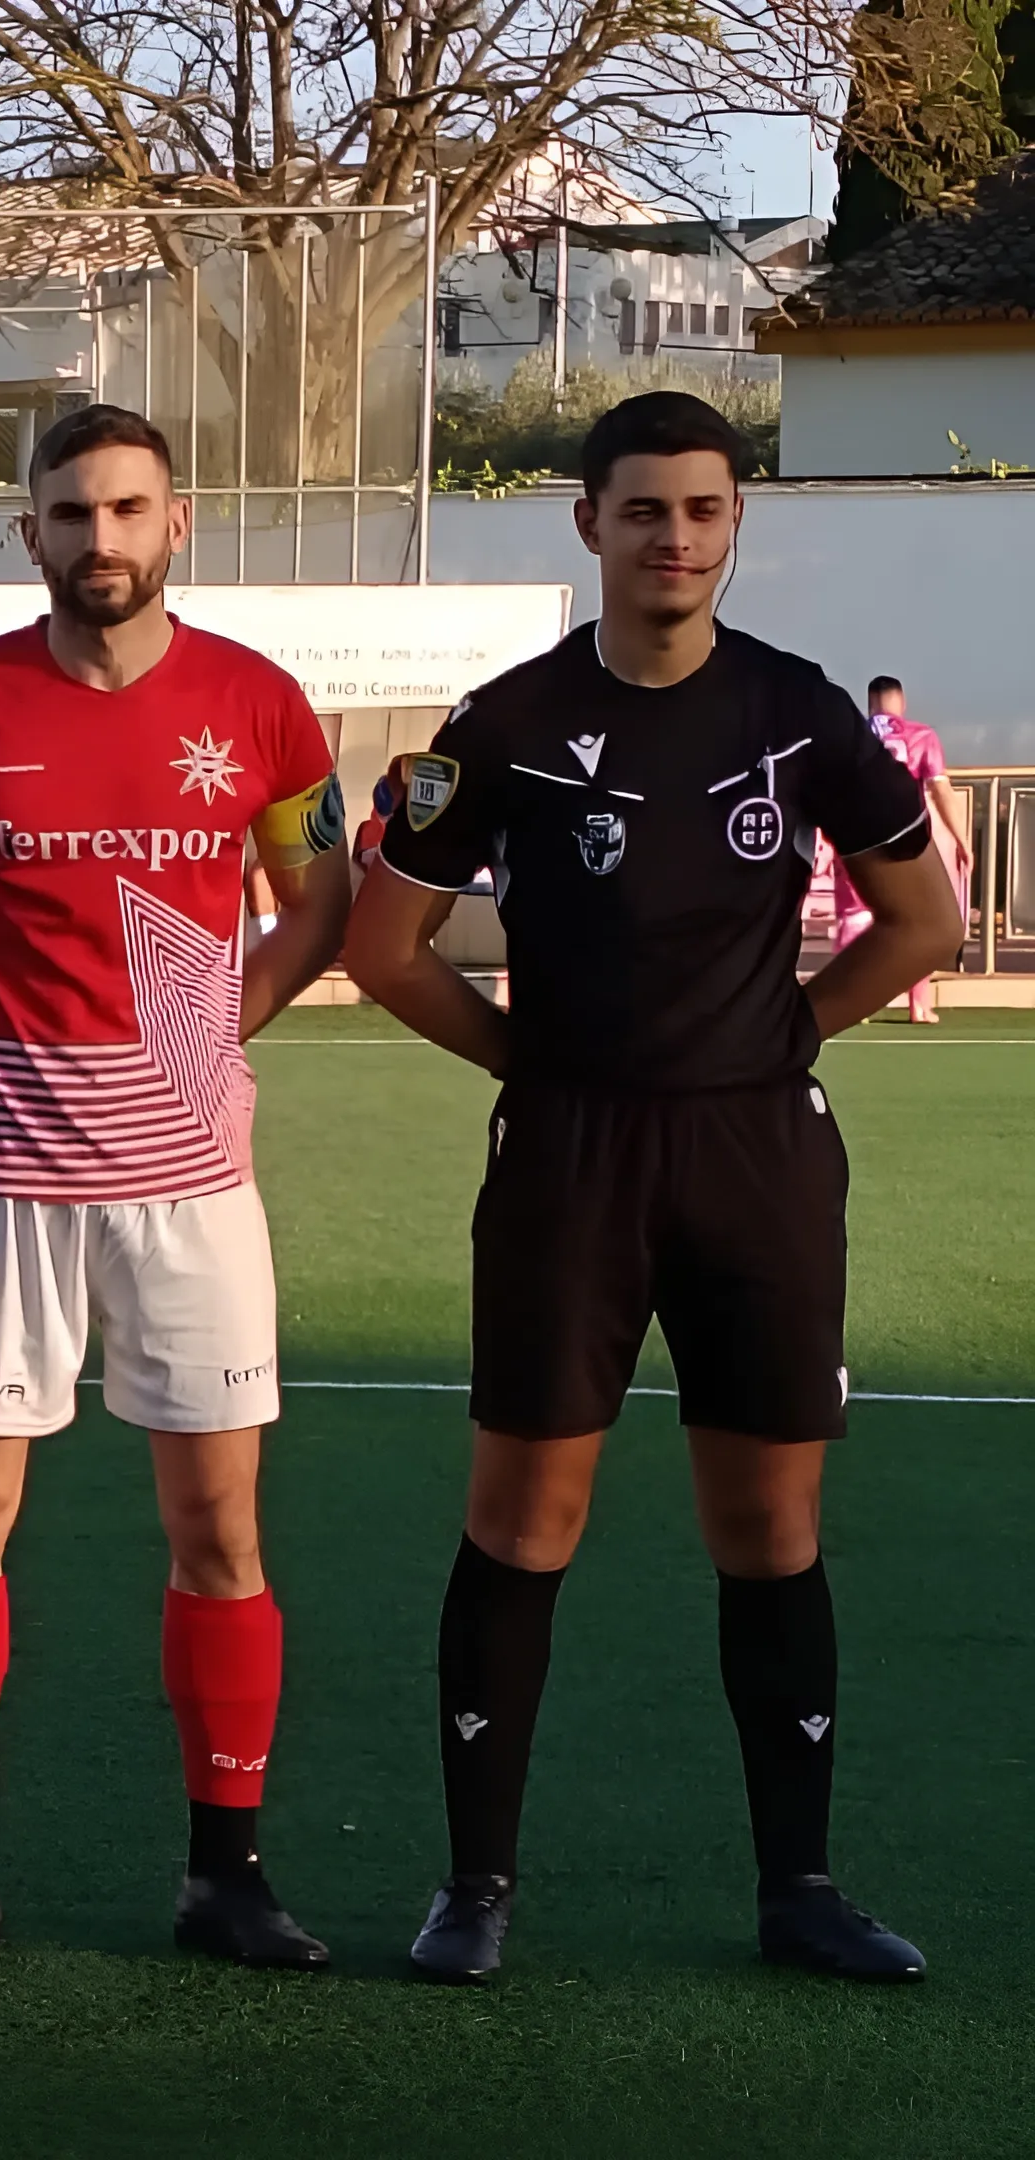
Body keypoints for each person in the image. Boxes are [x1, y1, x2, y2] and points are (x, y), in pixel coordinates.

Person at [344, 391, 962, 1985]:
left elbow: (923, 925)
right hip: (569, 1155)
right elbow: (381, 948)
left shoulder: (799, 713)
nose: (673, 538)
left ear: (734, 525)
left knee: (768, 1522)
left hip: (755, 1154)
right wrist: (524, 1062)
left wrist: (780, 1034)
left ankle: (800, 1888)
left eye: (701, 510)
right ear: (590, 527)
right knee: (524, 1515)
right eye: (643, 512)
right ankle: (475, 1886)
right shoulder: (507, 724)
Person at [0, 402, 352, 1973]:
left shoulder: (261, 708)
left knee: (220, 1531)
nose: (103, 541)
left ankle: (227, 1873)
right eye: (72, 515)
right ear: (33, 535)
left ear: (176, 521)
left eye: (128, 510)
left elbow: (318, 899)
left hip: (193, 1187)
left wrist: (213, 1036)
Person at [829, 676, 970, 1024]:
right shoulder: (921, 736)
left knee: (854, 916)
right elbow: (941, 790)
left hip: (852, 836)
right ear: (901, 702)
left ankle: (850, 1003)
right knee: (916, 917)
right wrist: (962, 839)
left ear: (869, 703)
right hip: (906, 836)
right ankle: (919, 1005)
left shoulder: (848, 734)